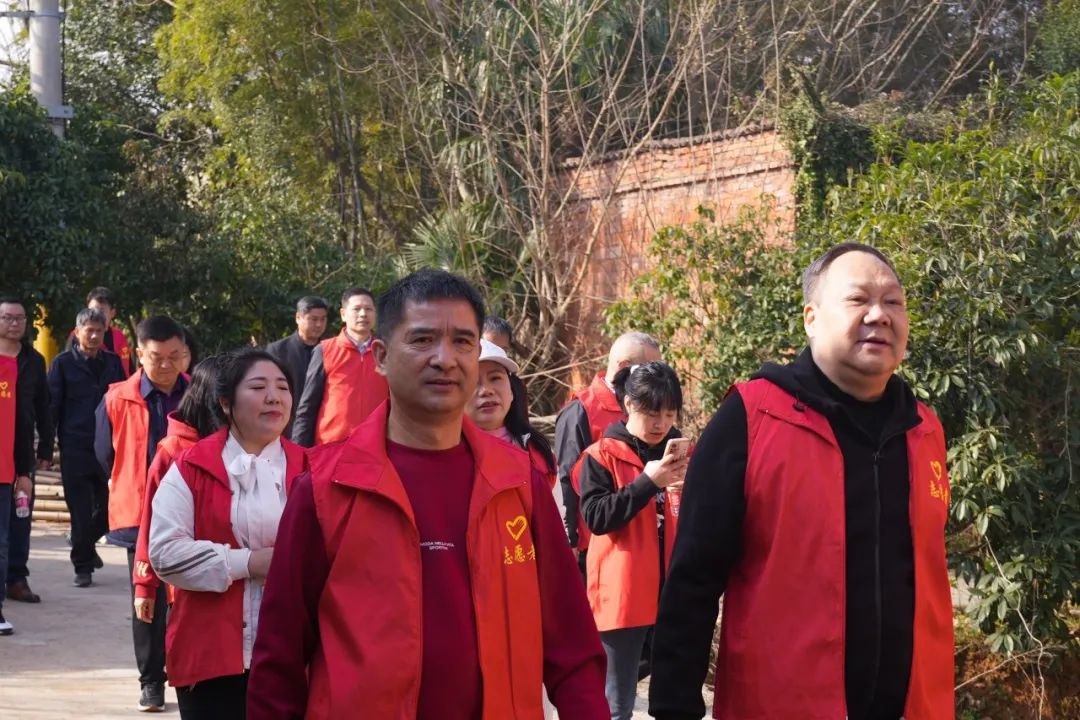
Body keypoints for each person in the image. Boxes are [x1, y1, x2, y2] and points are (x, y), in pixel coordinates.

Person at [247, 270, 608, 719]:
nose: (445, 359)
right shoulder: (326, 488)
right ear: (381, 356)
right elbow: (279, 660)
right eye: (422, 340)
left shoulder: (518, 483)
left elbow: (572, 648)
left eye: (463, 342)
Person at [649, 243, 955, 720]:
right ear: (811, 318)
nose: (880, 315)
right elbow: (693, 581)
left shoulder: (923, 430)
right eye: (858, 299)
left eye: (893, 301)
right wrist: (675, 707)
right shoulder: (752, 418)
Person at [149, 349, 306, 719]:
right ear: (225, 402)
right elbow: (165, 554)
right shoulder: (192, 466)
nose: (274, 397)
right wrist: (248, 563)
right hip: (210, 659)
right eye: (258, 387)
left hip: (292, 656)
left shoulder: (311, 469)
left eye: (282, 387)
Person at [576, 362, 688, 720]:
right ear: (628, 404)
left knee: (673, 698)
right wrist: (647, 484)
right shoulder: (601, 455)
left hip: (671, 593)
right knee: (617, 702)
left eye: (669, 414)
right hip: (622, 594)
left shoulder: (681, 456)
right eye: (651, 414)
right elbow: (597, 518)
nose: (660, 424)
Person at [95, 315, 190, 712]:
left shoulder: (199, 396)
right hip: (138, 512)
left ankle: (188, 673)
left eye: (174, 356)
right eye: (156, 357)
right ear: (138, 354)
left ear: (185, 355)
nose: (166, 365)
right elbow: (104, 454)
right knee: (146, 596)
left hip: (190, 511)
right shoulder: (117, 398)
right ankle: (151, 680)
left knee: (187, 599)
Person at [133, 355, 226, 627]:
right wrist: (145, 584)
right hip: (191, 584)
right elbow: (151, 520)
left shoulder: (256, 450)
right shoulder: (174, 452)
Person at [555, 332, 661, 565]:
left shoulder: (655, 410)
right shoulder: (582, 410)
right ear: (624, 366)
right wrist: (569, 538)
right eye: (648, 370)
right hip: (597, 543)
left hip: (646, 539)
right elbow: (566, 479)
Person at [48, 308, 126, 587]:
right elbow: (52, 406)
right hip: (75, 446)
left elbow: (123, 400)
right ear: (78, 331)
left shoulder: (113, 363)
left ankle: (84, 545)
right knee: (80, 510)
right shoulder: (63, 364)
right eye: (89, 330)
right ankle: (83, 567)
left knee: (110, 509)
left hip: (107, 448)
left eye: (99, 331)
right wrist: (47, 446)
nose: (94, 336)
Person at [0, 297, 53, 631]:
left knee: (18, 519)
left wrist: (45, 444)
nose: (14, 324)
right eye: (7, 318)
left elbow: (43, 407)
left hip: (20, 452)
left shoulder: (33, 361)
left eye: (19, 318)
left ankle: (16, 578)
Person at [291, 288, 388, 447]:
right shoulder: (325, 350)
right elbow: (308, 407)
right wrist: (298, 450)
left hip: (376, 445)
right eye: (356, 309)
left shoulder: (386, 352)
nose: (363, 314)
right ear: (343, 314)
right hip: (332, 446)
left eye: (369, 309)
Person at [466, 338, 557, 488]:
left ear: (511, 391)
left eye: (495, 378)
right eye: (473, 382)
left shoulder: (538, 453)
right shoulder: (445, 456)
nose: (486, 390)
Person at [266, 296, 328, 438]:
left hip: (321, 428)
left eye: (323, 319)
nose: (319, 324)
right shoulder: (278, 351)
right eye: (313, 319)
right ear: (298, 318)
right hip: (286, 427)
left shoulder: (330, 350)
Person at [68, 287, 134, 376]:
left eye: (102, 311)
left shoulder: (119, 336)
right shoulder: (78, 335)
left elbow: (129, 369)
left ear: (112, 313)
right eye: (93, 310)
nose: (97, 314)